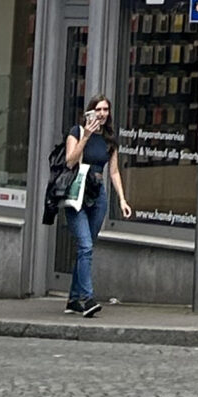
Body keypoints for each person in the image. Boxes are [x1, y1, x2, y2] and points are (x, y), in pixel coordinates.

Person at [61, 95, 132, 313]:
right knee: (85, 246)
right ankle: (88, 299)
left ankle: (73, 300)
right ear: (89, 112)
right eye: (98, 109)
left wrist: (122, 199)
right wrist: (86, 136)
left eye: (105, 110)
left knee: (87, 248)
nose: (102, 114)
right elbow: (70, 161)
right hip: (77, 193)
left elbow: (114, 171)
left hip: (98, 194)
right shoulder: (77, 132)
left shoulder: (110, 139)